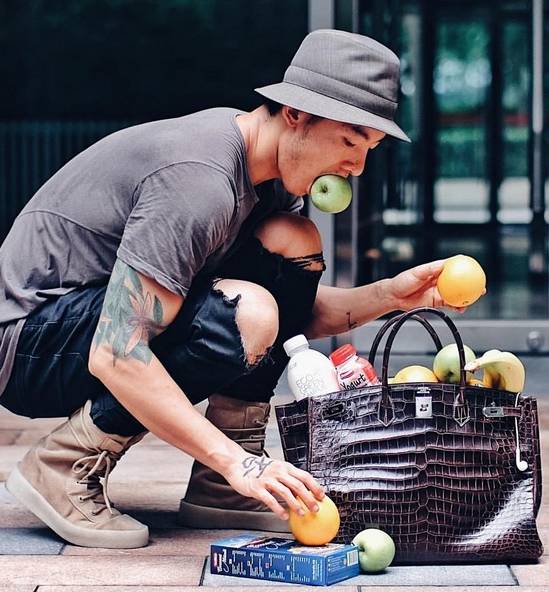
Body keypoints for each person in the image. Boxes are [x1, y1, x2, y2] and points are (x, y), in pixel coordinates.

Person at [0, 29, 460, 549]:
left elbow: (291, 321)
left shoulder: (269, 184)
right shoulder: (201, 179)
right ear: (295, 115)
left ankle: (217, 490)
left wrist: (394, 296)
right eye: (350, 140)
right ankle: (61, 465)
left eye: (369, 148)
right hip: (26, 343)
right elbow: (117, 352)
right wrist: (241, 462)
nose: (356, 166)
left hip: (83, 327)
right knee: (249, 310)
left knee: (291, 244)